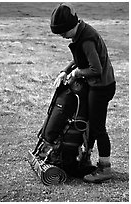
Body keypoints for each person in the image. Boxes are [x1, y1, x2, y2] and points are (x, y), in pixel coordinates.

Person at [50, 3, 116, 183]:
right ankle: (85, 157)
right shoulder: (80, 34)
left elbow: (96, 69)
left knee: (97, 127)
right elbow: (79, 58)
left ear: (71, 26)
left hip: (101, 87)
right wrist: (65, 71)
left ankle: (105, 168)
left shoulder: (86, 39)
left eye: (63, 32)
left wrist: (76, 73)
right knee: (88, 122)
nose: (62, 36)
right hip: (96, 85)